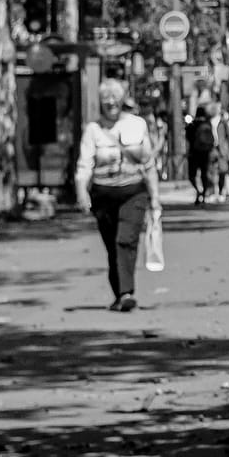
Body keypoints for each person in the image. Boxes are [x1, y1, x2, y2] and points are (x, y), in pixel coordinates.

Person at [74, 80, 161, 313]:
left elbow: (149, 163)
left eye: (115, 98)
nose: (111, 102)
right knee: (112, 245)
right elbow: (84, 164)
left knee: (126, 240)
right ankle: (119, 293)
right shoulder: (93, 130)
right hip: (103, 194)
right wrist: (82, 191)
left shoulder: (137, 125)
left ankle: (126, 293)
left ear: (122, 100)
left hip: (133, 191)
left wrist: (155, 197)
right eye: (106, 99)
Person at [185, 100, 216, 206]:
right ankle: (204, 194)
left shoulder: (192, 124)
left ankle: (198, 191)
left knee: (192, 175)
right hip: (205, 152)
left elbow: (188, 137)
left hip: (193, 152)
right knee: (204, 174)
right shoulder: (207, 123)